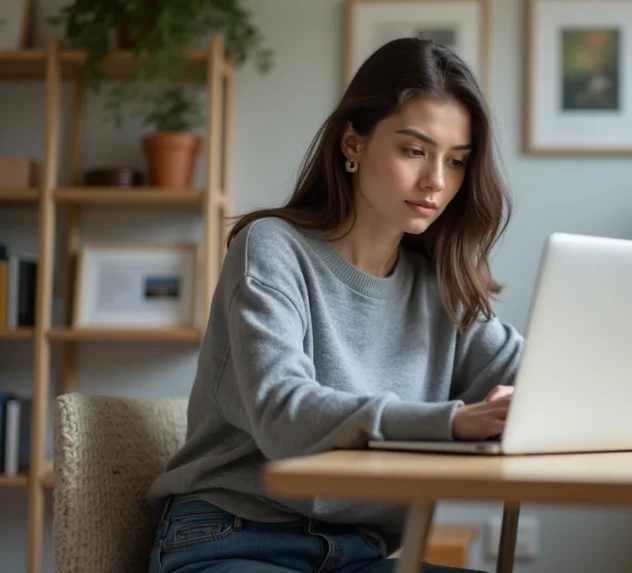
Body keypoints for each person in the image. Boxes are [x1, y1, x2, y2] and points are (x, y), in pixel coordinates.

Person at [146, 36, 524, 573]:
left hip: (361, 553)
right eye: (414, 150)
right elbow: (283, 414)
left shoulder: (440, 285)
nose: (436, 182)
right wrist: (453, 422)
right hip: (235, 538)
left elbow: (539, 377)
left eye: (457, 162)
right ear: (354, 143)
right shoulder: (272, 248)